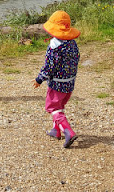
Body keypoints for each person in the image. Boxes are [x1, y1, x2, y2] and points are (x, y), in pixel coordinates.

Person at [32, 10, 81, 148]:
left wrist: (39, 79)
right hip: (69, 83)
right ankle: (56, 130)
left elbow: (50, 66)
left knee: (52, 107)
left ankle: (69, 131)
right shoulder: (72, 43)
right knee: (59, 106)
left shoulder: (55, 46)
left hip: (57, 84)